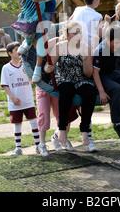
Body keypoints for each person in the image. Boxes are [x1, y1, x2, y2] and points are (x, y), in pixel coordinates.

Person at [45, 21, 98, 152]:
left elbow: (89, 73)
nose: (78, 35)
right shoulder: (59, 47)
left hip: (81, 78)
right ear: (67, 35)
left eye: (80, 32)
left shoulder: (87, 48)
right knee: (66, 91)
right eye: (75, 33)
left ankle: (85, 130)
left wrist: (86, 60)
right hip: (64, 78)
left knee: (90, 92)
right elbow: (47, 67)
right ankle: (62, 129)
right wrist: (49, 68)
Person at [93, 25, 120, 142]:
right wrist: (101, 92)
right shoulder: (101, 50)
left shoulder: (117, 45)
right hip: (101, 75)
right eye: (116, 42)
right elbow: (95, 73)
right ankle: (118, 123)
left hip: (112, 73)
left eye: (119, 42)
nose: (118, 44)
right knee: (116, 89)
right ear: (107, 40)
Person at [0, 42, 43, 156]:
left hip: (28, 100)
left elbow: (32, 80)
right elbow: (5, 85)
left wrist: (27, 72)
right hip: (15, 103)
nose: (19, 52)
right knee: (17, 124)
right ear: (10, 53)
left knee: (34, 122)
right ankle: (18, 148)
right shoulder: (6, 68)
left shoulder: (26, 65)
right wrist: (12, 97)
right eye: (16, 50)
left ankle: (38, 145)